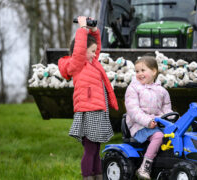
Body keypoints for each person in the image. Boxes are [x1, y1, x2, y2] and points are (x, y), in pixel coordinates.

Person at [58, 16, 119, 180]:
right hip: (88, 111)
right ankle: (87, 177)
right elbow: (79, 51)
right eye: (91, 51)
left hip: (98, 110)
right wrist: (83, 29)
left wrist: (93, 31)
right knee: (90, 150)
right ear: (81, 51)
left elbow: (96, 46)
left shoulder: (92, 62)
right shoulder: (77, 64)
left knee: (96, 148)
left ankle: (97, 175)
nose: (94, 54)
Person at [124, 56, 173, 179]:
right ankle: (145, 167)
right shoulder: (133, 89)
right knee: (158, 136)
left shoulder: (162, 91)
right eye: (137, 71)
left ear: (154, 71)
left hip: (157, 124)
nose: (139, 74)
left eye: (142, 70)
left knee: (174, 136)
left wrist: (171, 120)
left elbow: (167, 109)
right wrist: (147, 121)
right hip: (139, 125)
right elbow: (133, 110)